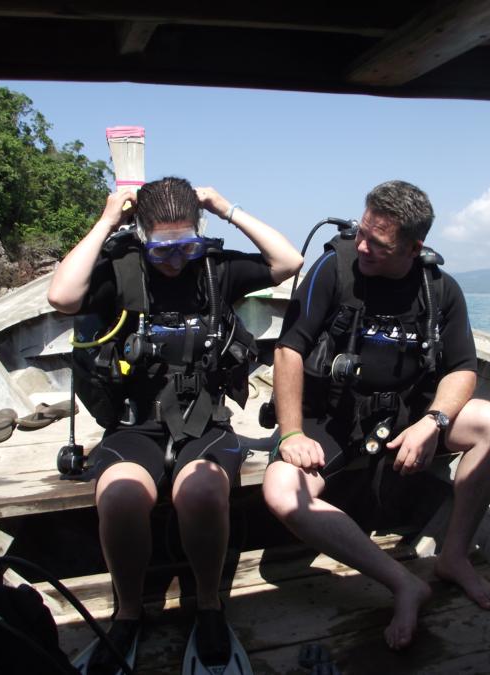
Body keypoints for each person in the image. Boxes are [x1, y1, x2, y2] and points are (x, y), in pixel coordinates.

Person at [48, 177, 302, 674]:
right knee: (120, 497)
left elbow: (288, 262)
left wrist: (226, 207)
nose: (173, 259)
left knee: (202, 494)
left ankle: (207, 604)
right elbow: (62, 296)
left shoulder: (213, 270)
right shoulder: (120, 270)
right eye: (161, 247)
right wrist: (106, 221)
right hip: (134, 424)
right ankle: (127, 611)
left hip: (205, 420)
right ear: (142, 235)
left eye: (185, 244)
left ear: (198, 233)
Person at [262, 180, 490, 650]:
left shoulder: (439, 288)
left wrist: (432, 423)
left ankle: (453, 557)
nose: (363, 247)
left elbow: (463, 369)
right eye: (361, 232)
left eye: (378, 244)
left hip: (406, 413)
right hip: (331, 418)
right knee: (280, 492)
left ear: (414, 248)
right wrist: (291, 431)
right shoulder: (334, 268)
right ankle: (403, 582)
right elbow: (288, 349)